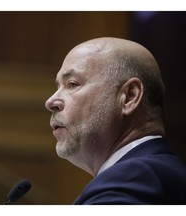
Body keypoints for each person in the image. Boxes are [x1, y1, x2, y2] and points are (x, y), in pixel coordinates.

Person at [45, 37, 186, 204]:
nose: (51, 102)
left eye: (72, 84)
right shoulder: (152, 173)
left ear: (129, 96)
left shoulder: (137, 177)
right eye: (58, 87)